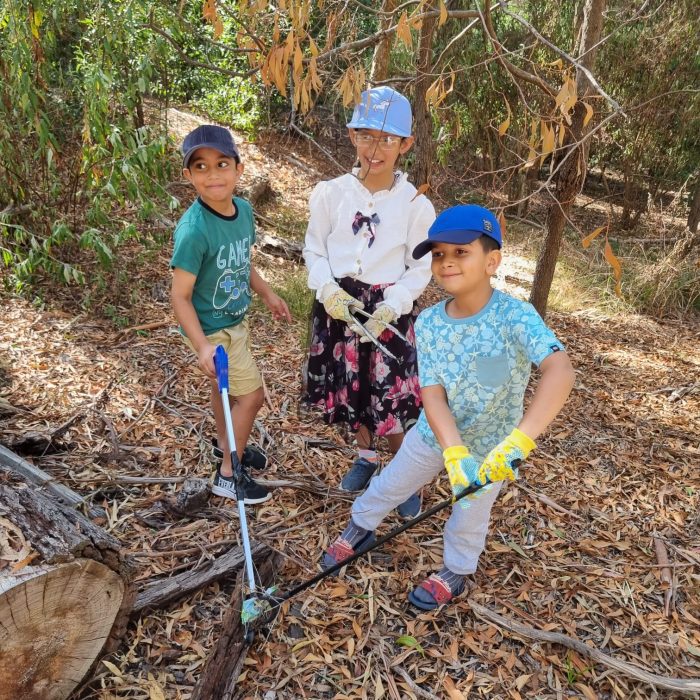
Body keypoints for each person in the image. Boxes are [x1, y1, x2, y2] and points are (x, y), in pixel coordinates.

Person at [321, 204, 575, 610]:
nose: (447, 262)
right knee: (390, 485)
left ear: (492, 261)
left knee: (469, 512)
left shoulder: (516, 317)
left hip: (493, 451)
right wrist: (452, 450)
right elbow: (433, 392)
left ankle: (456, 570)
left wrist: (517, 444)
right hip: (432, 435)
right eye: (439, 254)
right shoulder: (430, 323)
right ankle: (360, 527)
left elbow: (560, 371)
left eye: (461, 252)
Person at [302, 86, 436, 518]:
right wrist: (328, 291)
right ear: (351, 135)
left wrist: (392, 305)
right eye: (365, 136)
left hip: (386, 312)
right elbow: (314, 250)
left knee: (392, 398)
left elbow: (420, 268)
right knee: (354, 389)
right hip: (340, 304)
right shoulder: (330, 193)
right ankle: (366, 457)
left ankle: (403, 473)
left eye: (386, 139)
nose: (374, 149)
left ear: (405, 144)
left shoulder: (416, 205)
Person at [171, 124, 291, 504]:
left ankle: (226, 446)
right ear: (188, 175)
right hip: (214, 330)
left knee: (222, 392)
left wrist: (268, 293)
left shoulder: (244, 211)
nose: (213, 174)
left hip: (234, 320)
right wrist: (204, 347)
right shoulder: (194, 231)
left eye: (221, 163)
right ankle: (228, 473)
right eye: (201, 167)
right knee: (251, 397)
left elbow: (242, 263)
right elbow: (180, 297)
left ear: (239, 169)